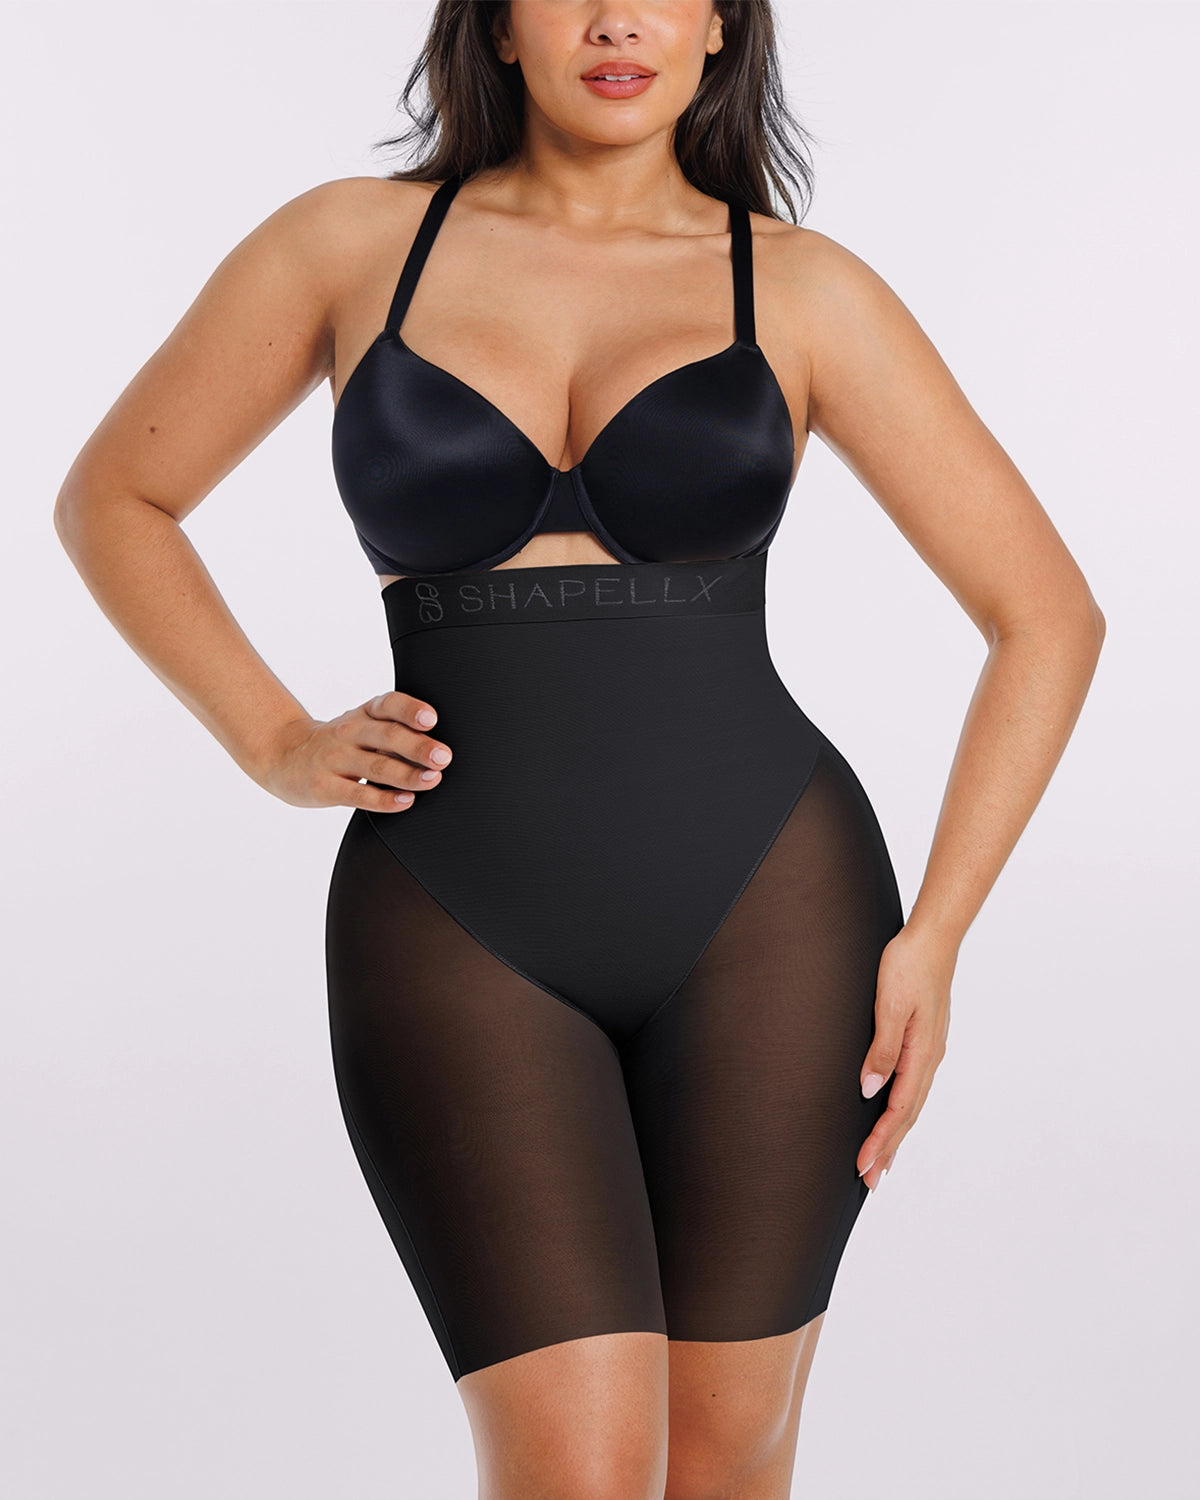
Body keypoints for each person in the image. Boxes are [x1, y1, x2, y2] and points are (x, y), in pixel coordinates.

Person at [54, 2, 1105, 1496]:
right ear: (495, 26)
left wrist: (937, 933)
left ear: (722, 26)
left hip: (772, 912)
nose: (618, 17)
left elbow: (1046, 616)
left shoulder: (801, 288)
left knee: (725, 1460)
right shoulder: (348, 245)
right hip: (453, 915)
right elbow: (115, 499)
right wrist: (273, 738)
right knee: (573, 1471)